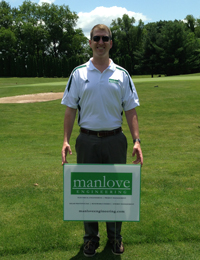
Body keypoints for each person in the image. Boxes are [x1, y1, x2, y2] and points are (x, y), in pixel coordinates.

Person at [61, 24, 143, 257]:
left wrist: (137, 141)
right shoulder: (78, 73)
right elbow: (69, 110)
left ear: (111, 42)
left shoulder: (122, 74)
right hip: (86, 140)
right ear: (90, 42)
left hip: (115, 139)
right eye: (96, 38)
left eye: (105, 38)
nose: (100, 42)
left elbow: (131, 110)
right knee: (87, 193)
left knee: (116, 192)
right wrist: (65, 140)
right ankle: (90, 239)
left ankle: (115, 238)